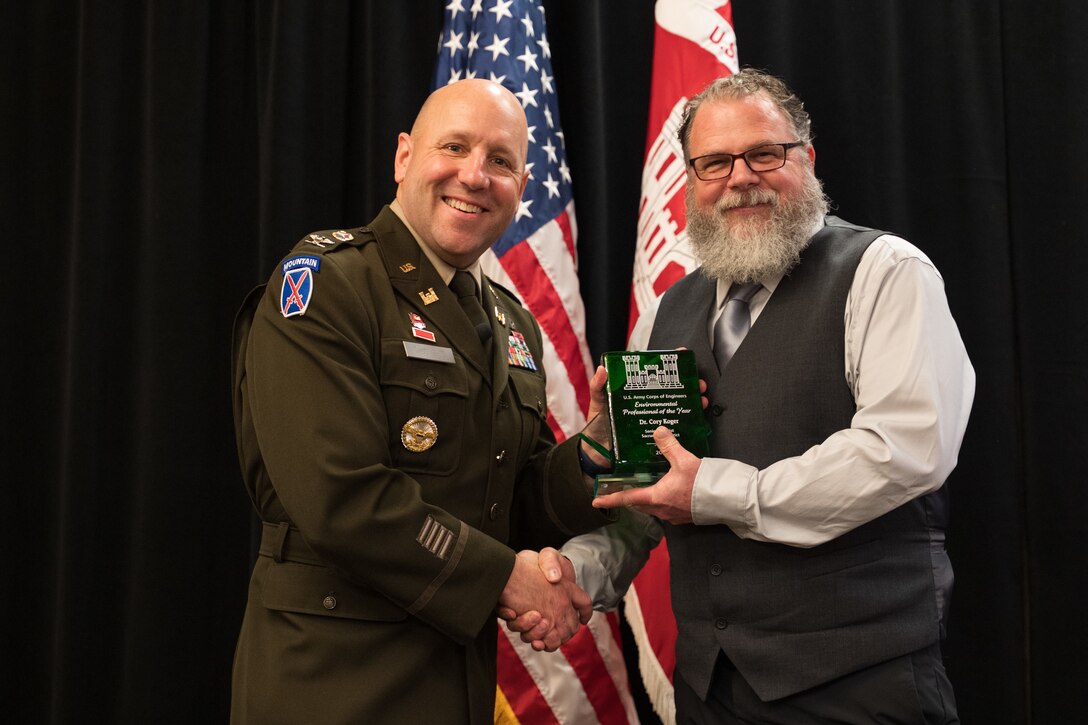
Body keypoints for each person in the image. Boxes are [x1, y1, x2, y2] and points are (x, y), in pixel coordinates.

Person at [515, 69, 975, 723]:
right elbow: (649, 496)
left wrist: (713, 492)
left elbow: (904, 451)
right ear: (692, 180)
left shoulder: (887, 273)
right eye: (715, 162)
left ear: (806, 159)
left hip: (858, 687)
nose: (740, 177)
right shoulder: (668, 310)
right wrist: (576, 573)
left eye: (764, 153)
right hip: (710, 691)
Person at [229, 79, 613, 725]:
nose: (474, 175)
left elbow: (511, 497)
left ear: (522, 184)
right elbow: (339, 496)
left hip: (453, 673)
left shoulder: (511, 322)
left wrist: (599, 448)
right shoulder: (330, 284)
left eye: (500, 160)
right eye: (455, 147)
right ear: (404, 157)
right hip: (332, 680)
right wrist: (502, 578)